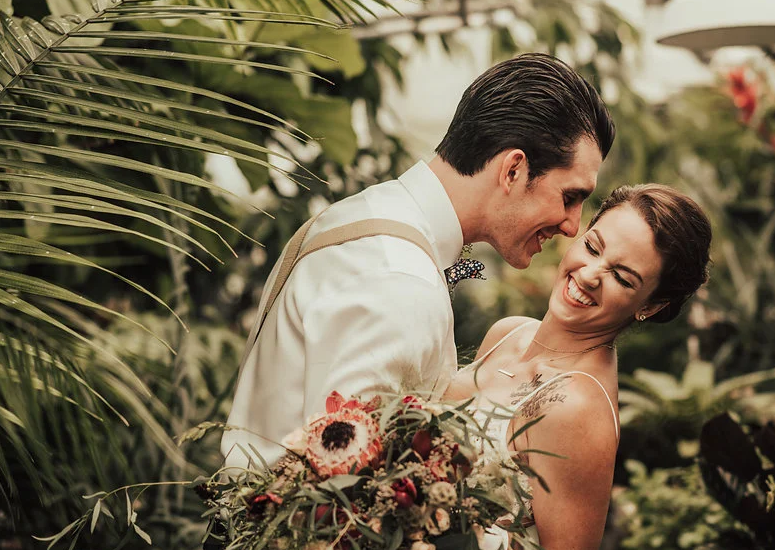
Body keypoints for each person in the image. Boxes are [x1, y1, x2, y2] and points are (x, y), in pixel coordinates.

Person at [221, 53, 615, 469]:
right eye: (569, 197)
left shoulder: (365, 214)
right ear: (513, 170)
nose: (573, 227)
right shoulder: (399, 279)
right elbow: (344, 494)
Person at [408, 184, 712, 550]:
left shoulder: (576, 405)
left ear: (652, 305)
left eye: (623, 277)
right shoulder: (510, 333)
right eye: (593, 247)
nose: (589, 274)